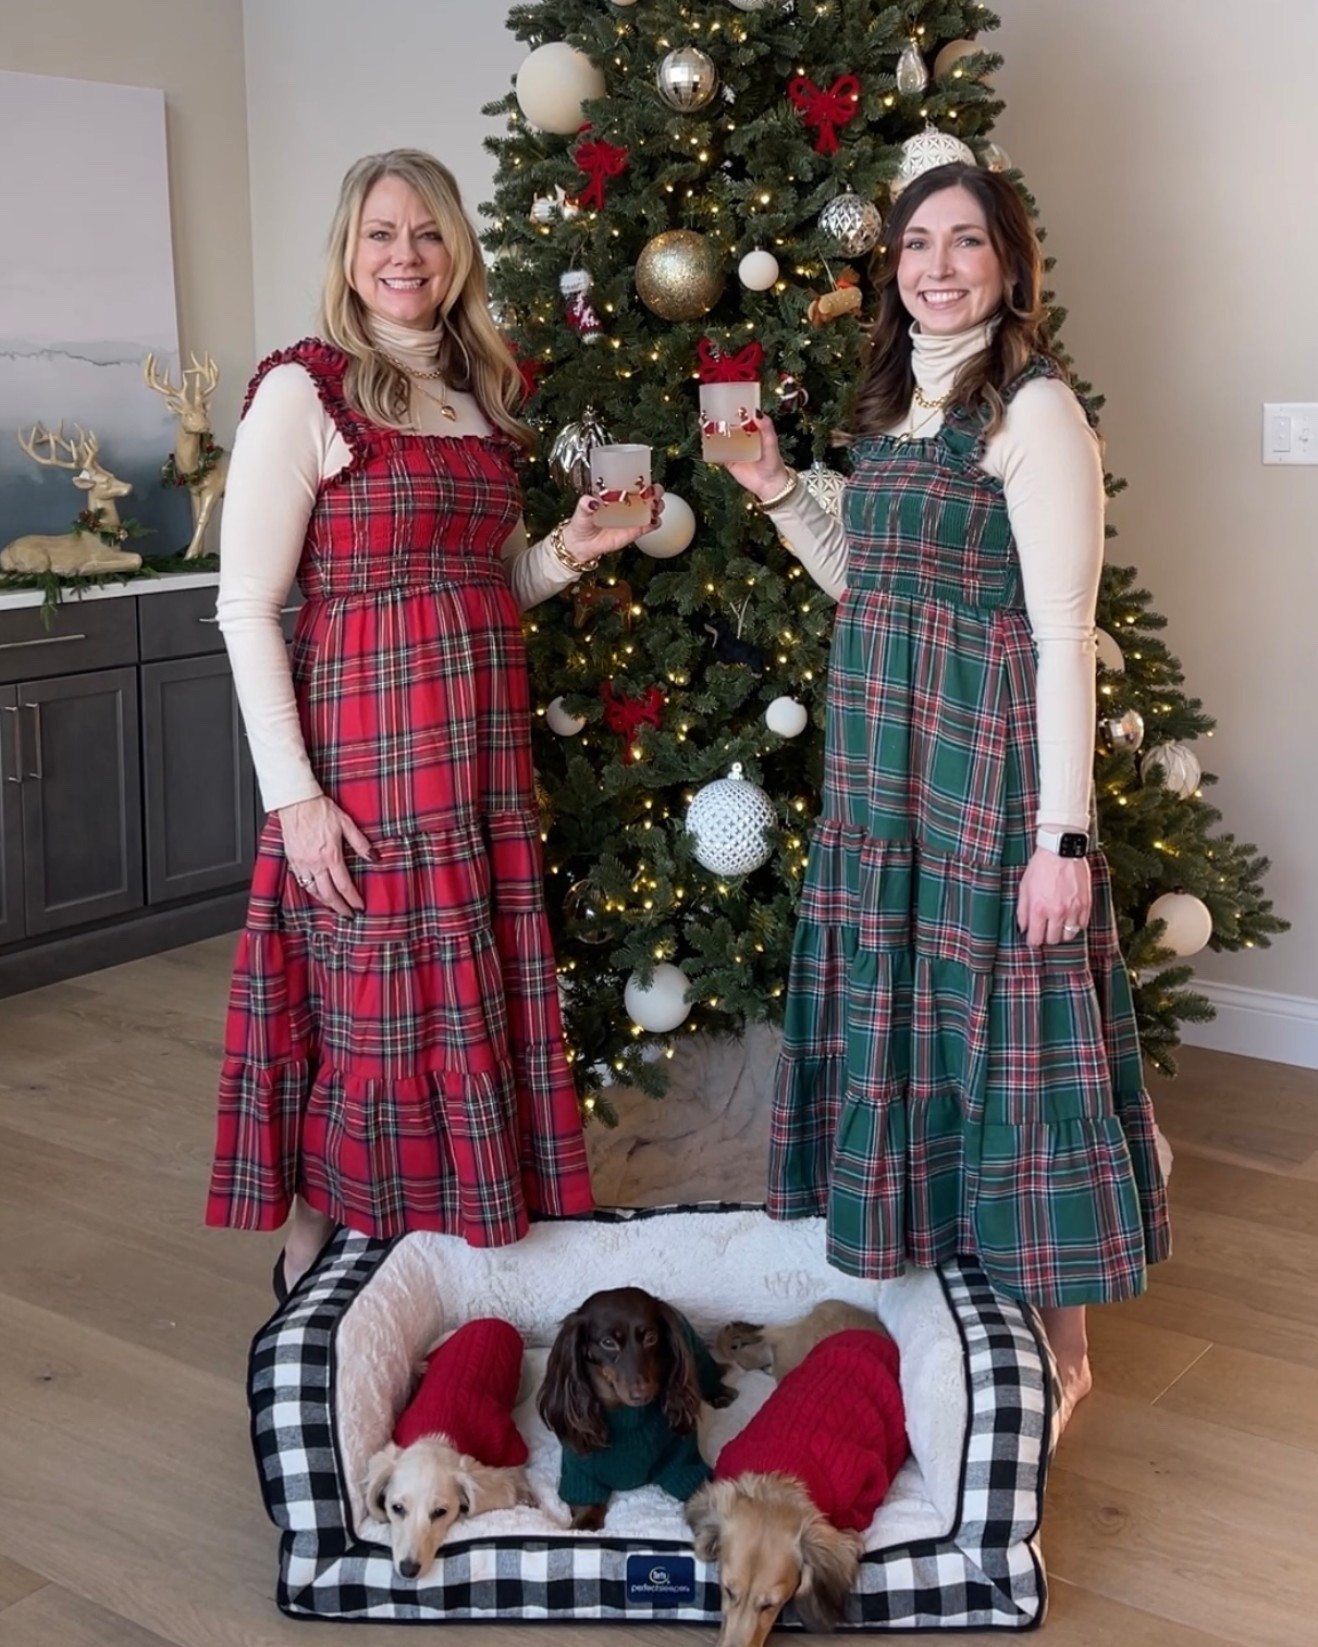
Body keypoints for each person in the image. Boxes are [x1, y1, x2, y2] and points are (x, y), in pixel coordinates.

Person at [725, 162, 1170, 1427]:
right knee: (911, 1019)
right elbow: (867, 582)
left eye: (964, 242)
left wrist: (1062, 838)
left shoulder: (1035, 412)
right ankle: (938, 1297)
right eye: (916, 244)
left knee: (1023, 1037)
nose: (936, 266)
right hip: (885, 765)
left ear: (1009, 264)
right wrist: (776, 491)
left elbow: (1064, 635)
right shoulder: (888, 405)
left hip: (986, 766)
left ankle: (1065, 1353)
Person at [205, 150, 662, 1300]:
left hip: (475, 757)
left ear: (456, 251)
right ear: (348, 253)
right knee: (363, 999)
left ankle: (450, 1248)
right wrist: (295, 800)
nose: (403, 255)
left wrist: (572, 548)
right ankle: (313, 1258)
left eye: (425, 233)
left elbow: (484, 583)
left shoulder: (478, 396)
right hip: (364, 753)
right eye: (380, 233)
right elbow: (246, 606)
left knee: (451, 1005)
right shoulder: (303, 390)